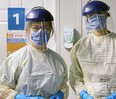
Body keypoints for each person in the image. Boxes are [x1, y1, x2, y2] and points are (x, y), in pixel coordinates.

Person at [0, 6, 69, 99]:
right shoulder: (16, 58)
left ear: (51, 30)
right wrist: (19, 97)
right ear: (28, 30)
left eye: (45, 27)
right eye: (35, 27)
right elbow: (2, 87)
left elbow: (63, 84)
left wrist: (61, 93)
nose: (41, 31)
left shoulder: (58, 60)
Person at [69, 0, 116, 99]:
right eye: (92, 15)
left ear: (106, 15)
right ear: (87, 19)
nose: (97, 17)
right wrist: (83, 94)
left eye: (99, 13)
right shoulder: (79, 47)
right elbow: (76, 77)